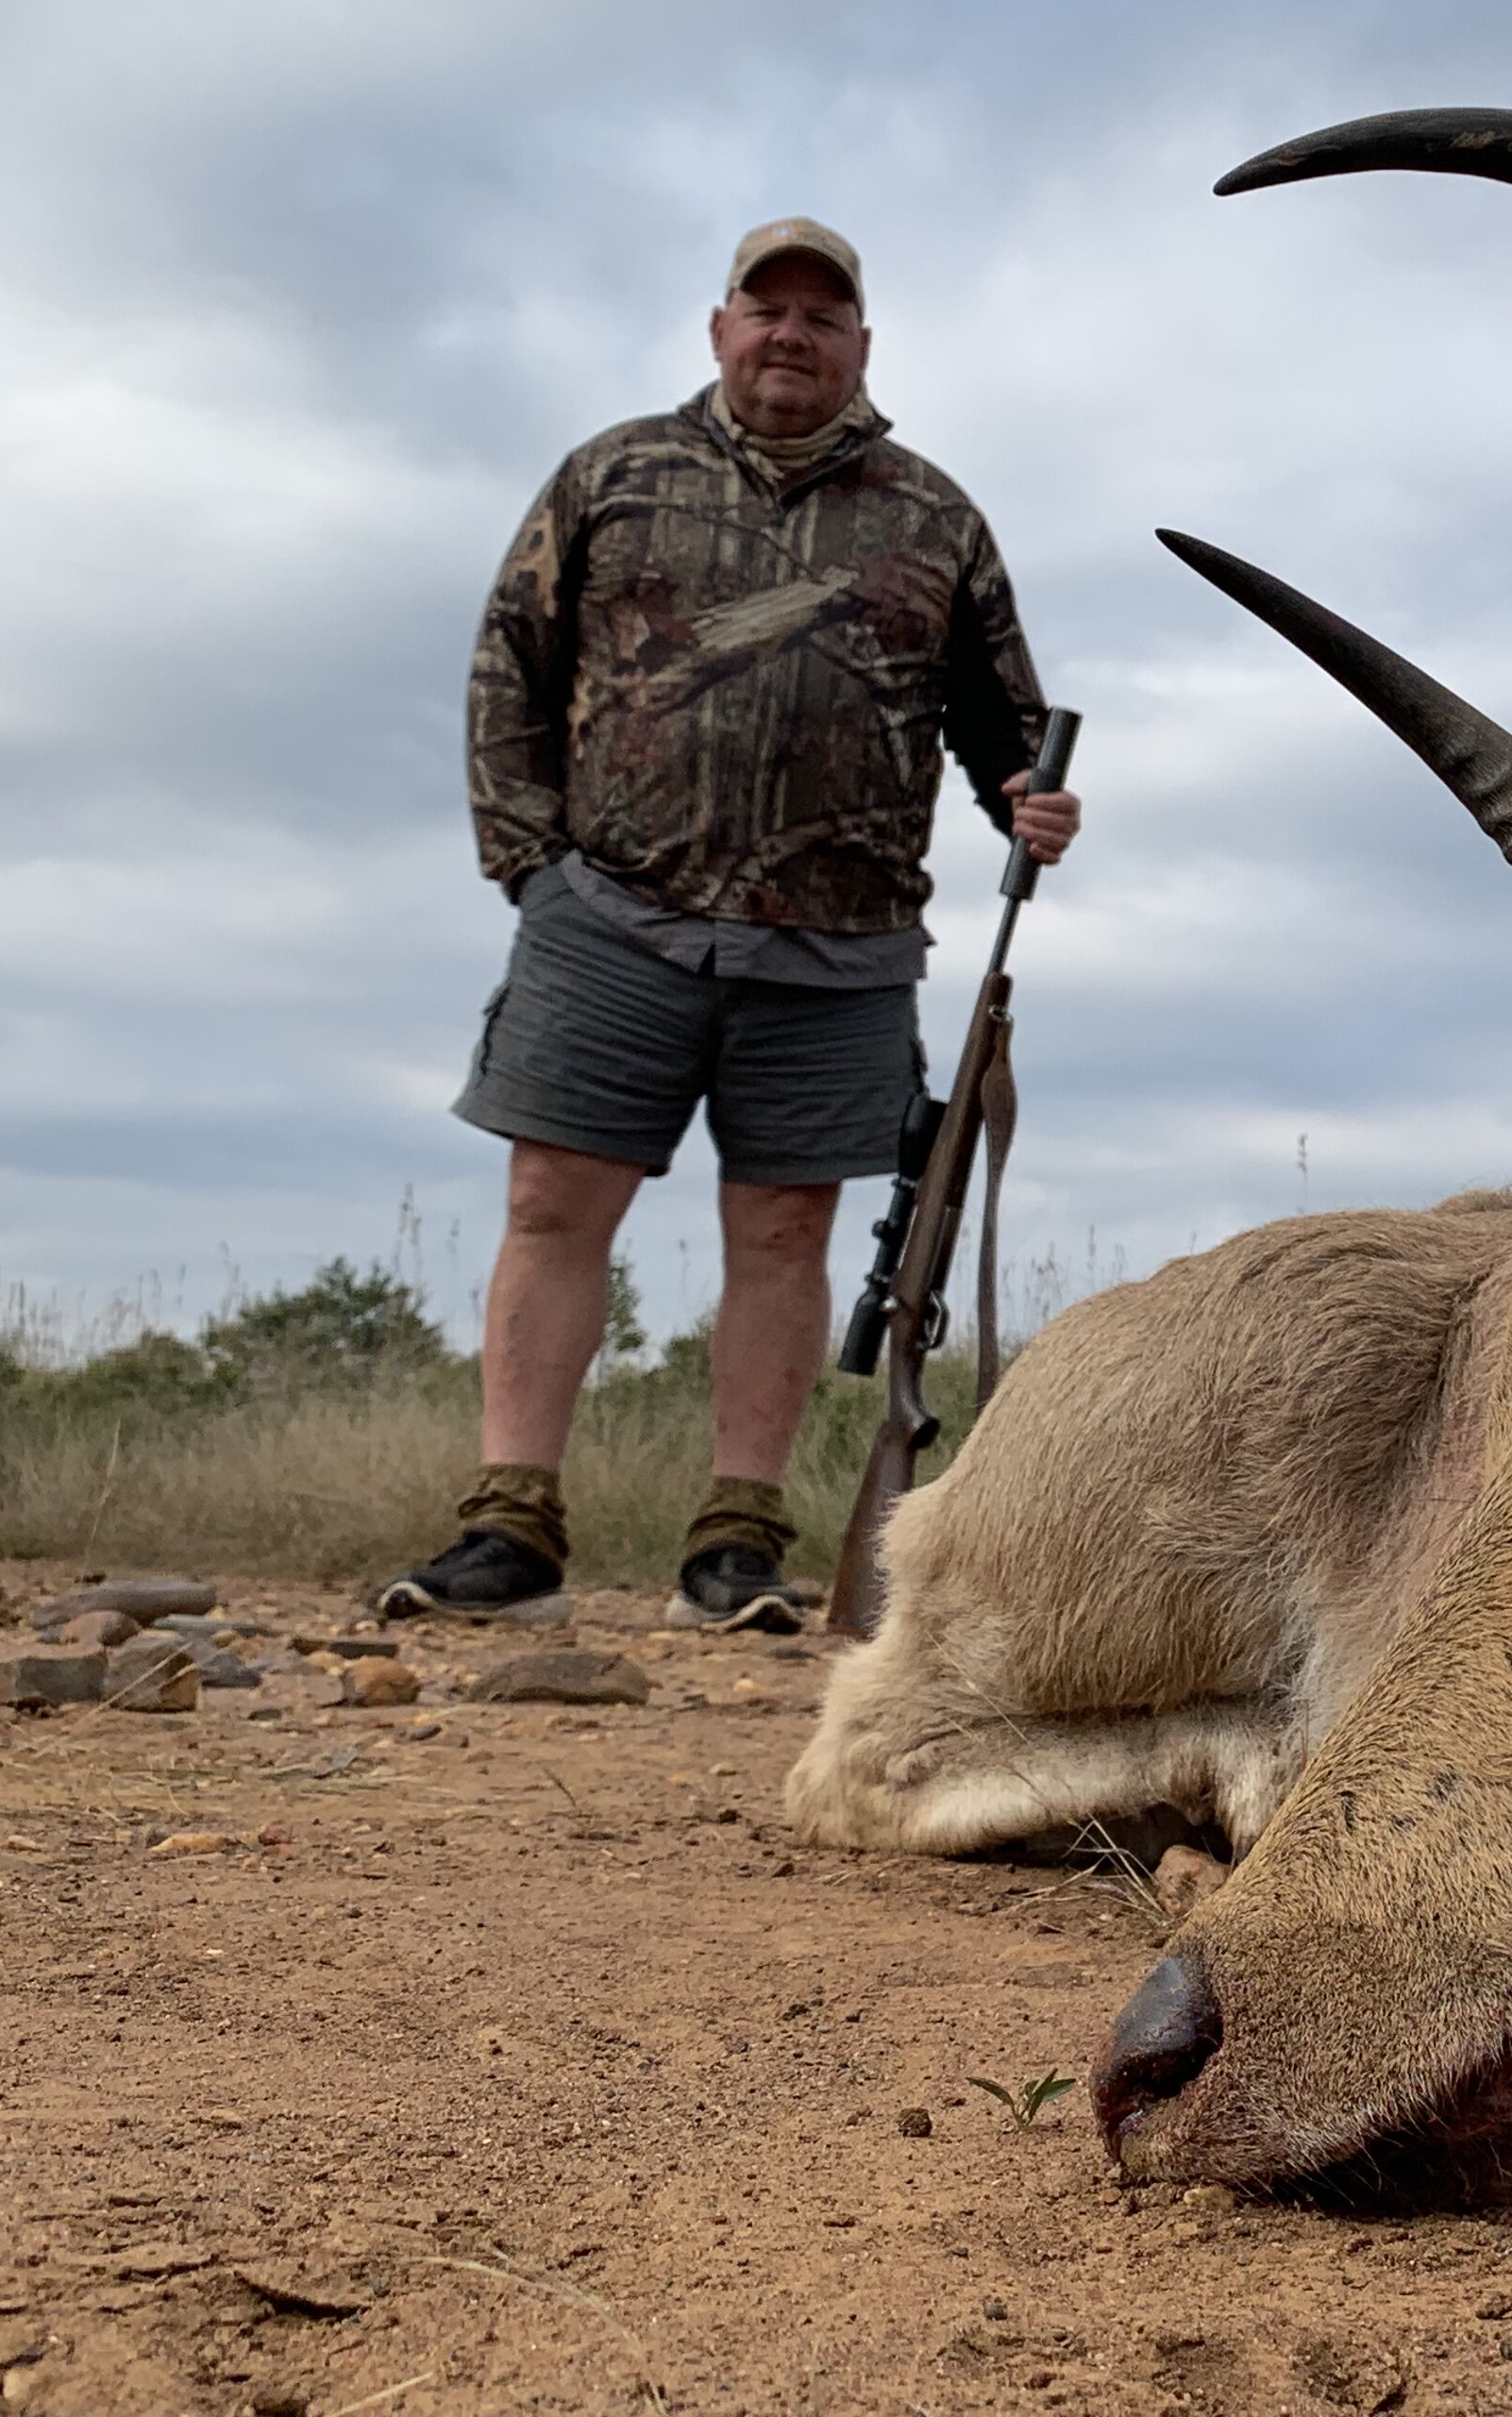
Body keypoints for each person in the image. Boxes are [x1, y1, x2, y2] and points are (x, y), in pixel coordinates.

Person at [388, 216, 1078, 1632]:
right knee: (551, 1206)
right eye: (768, 310)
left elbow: (1005, 725)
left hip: (838, 947)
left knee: (782, 1230)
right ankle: (511, 1524)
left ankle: (736, 1547)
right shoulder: (611, 475)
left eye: (823, 318)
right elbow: (508, 663)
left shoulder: (933, 517)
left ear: (861, 350)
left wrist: (1033, 801)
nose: (792, 336)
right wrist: (530, 866)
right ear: (720, 329)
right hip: (609, 921)